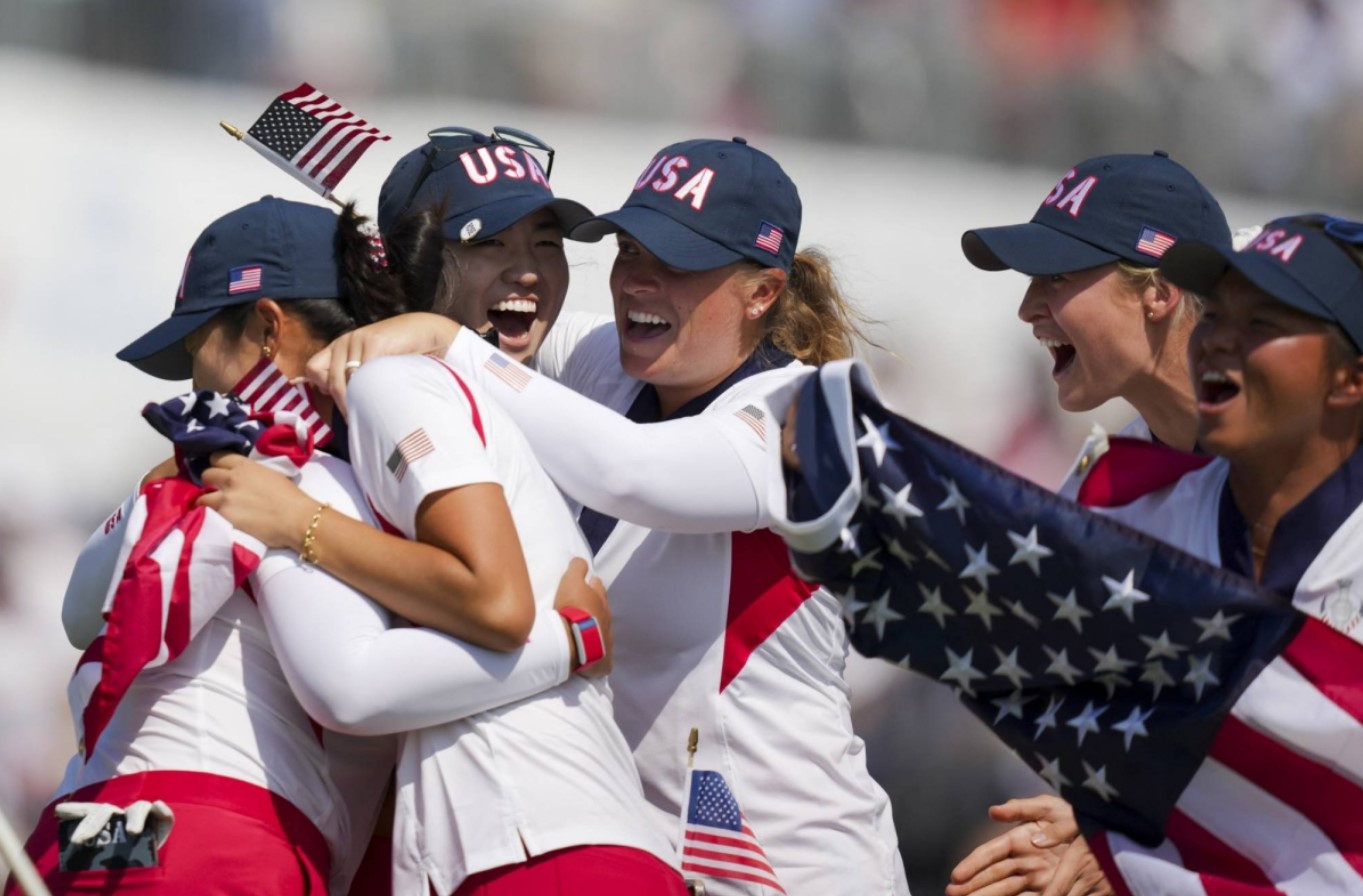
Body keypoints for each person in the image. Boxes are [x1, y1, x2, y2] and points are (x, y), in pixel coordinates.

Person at [308, 137, 910, 895]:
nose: (640, 283)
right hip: (660, 860)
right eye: (630, 250)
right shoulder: (609, 363)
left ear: (762, 293)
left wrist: (447, 343)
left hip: (797, 867)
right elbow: (487, 314)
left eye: (679, 262)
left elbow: (630, 471)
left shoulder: (799, 411)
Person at [33, 196, 682, 896]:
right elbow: (352, 690)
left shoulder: (252, 474)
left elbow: (80, 612)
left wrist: (162, 488)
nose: (195, 381)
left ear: (267, 327)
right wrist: (570, 640)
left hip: (79, 837)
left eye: (199, 345)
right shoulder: (296, 478)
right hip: (212, 841)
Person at [946, 213, 1363, 896]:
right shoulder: (1134, 505)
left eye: (1261, 324)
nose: (1218, 338)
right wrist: (1109, 833)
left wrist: (1135, 842)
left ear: (1348, 380)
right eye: (1216, 315)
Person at [960, 151, 1231, 498]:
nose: (1026, 310)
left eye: (1057, 277)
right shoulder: (1101, 491)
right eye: (1032, 278)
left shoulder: (1288, 464)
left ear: (1159, 294)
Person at [373, 125, 596, 366]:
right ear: (413, 263)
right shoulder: (375, 380)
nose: (527, 274)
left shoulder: (576, 359)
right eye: (491, 242)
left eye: (545, 243)